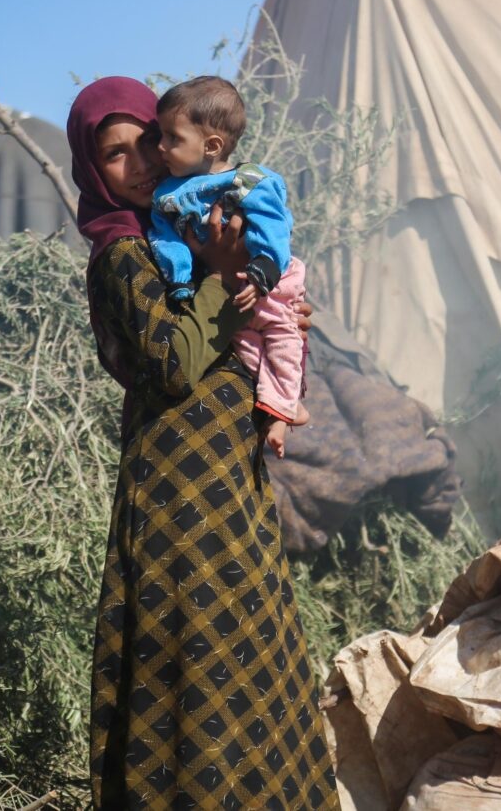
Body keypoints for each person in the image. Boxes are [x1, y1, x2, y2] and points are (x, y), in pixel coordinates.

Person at [66, 76, 338, 810]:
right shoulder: (122, 256)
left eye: (147, 140)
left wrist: (270, 306)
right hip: (177, 498)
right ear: (92, 171)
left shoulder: (185, 224)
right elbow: (173, 363)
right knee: (191, 677)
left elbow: (247, 306)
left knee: (256, 665)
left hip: (228, 479)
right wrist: (224, 283)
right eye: (116, 154)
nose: (141, 161)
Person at [150, 76, 307, 459]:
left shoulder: (249, 179)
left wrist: (263, 269)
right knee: (248, 348)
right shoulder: (168, 194)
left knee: (282, 335)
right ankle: (278, 404)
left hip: (268, 276)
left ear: (212, 145)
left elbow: (274, 224)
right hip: (229, 292)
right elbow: (164, 238)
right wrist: (180, 278)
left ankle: (287, 405)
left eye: (172, 137)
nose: (161, 147)